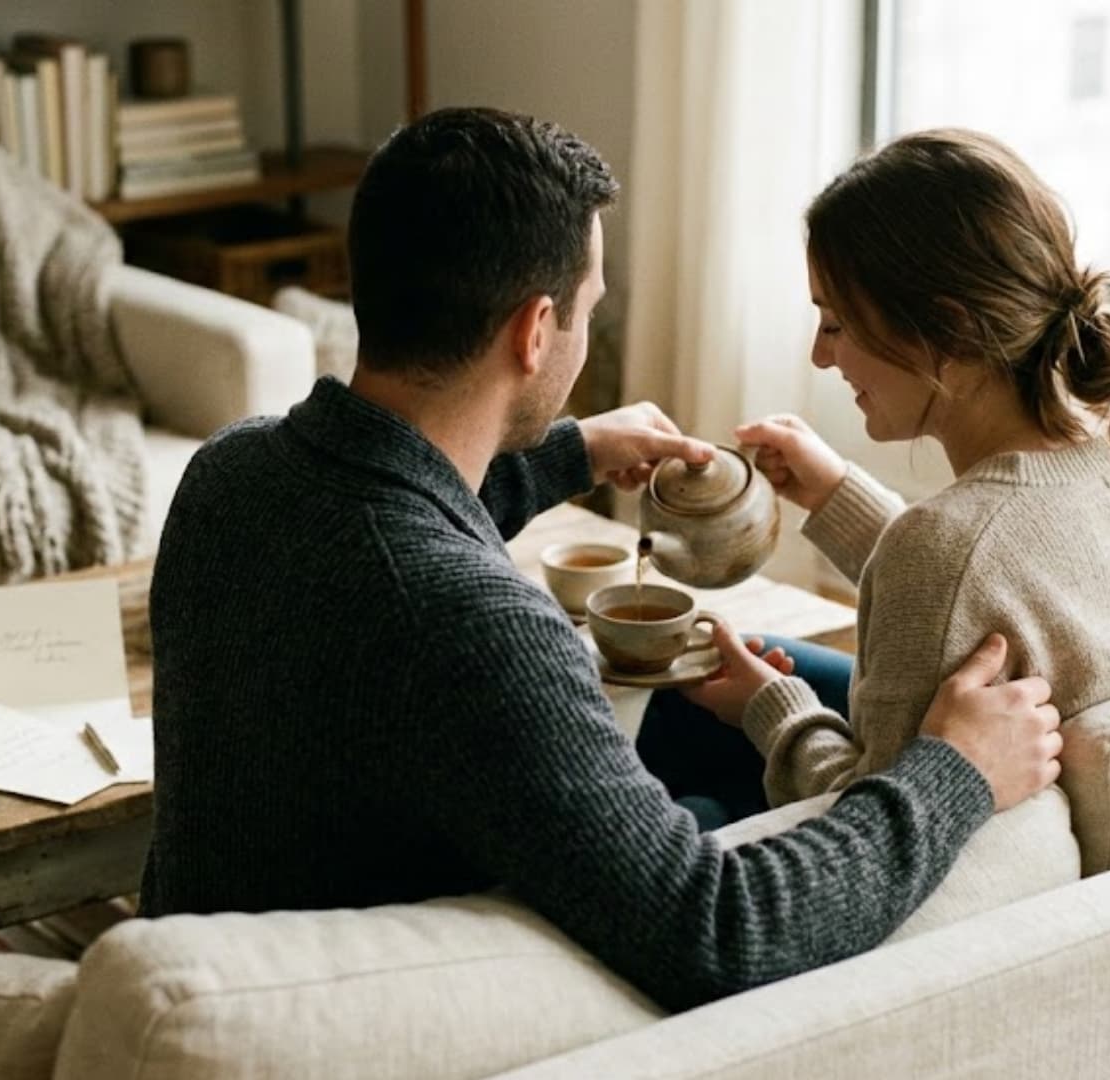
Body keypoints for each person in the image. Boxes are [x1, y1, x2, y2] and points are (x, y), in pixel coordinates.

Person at [141, 108, 1062, 1014]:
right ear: (535, 331)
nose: (586, 335)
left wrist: (572, 452)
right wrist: (953, 770)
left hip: (234, 955)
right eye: (588, 310)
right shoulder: (479, 626)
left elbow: (390, 508)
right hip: (386, 1016)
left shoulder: (230, 473)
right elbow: (726, 931)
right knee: (711, 805)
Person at [637, 127, 1110, 827]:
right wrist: (834, 494)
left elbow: (868, 826)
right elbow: (1003, 582)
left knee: (676, 741)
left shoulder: (944, 551)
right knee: (692, 684)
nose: (821, 357)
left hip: (920, 848)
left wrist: (772, 708)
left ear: (944, 332)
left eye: (835, 324)